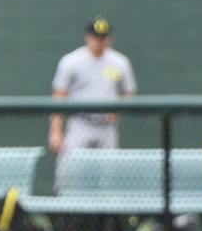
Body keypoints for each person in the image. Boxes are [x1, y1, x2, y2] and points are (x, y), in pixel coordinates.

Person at [48, 16, 137, 192]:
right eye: (96, 37)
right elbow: (58, 97)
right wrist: (56, 131)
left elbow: (128, 93)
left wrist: (118, 109)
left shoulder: (120, 62)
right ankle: (65, 212)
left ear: (109, 39)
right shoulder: (71, 61)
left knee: (110, 174)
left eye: (103, 37)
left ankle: (107, 216)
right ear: (87, 37)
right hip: (80, 123)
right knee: (69, 172)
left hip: (106, 126)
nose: (99, 41)